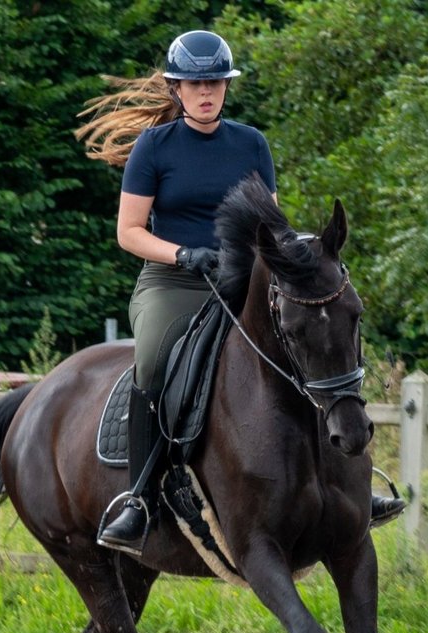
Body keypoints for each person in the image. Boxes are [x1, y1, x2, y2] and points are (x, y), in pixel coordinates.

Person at [76, 30, 404, 553]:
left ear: (226, 88)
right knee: (156, 361)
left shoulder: (250, 143)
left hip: (243, 281)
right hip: (174, 281)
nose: (206, 92)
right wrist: (183, 253)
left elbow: (270, 224)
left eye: (216, 83)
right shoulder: (154, 147)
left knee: (306, 349)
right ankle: (139, 499)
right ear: (176, 88)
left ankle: (350, 484)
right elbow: (128, 231)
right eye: (196, 83)